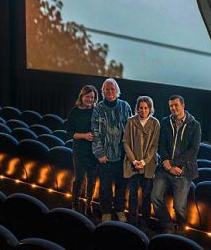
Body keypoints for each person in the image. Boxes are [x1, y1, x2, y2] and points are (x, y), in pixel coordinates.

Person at [151, 94, 201, 234]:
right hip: (164, 168)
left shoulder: (194, 125)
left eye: (176, 105)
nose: (173, 108)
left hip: (183, 170)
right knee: (155, 197)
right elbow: (161, 145)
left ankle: (182, 228)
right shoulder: (165, 122)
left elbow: (193, 150)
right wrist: (167, 164)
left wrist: (172, 164)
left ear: (183, 105)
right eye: (171, 106)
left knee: (179, 207)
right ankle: (168, 226)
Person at [91, 78, 133, 222]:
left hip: (122, 156)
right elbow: (95, 132)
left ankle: (120, 210)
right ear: (103, 92)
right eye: (107, 89)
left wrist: (130, 154)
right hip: (105, 157)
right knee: (105, 188)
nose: (110, 91)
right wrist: (100, 153)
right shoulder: (98, 108)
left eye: (112, 89)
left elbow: (130, 131)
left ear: (117, 90)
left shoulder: (125, 106)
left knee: (121, 186)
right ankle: (106, 212)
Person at [122, 95, 160, 227]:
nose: (143, 111)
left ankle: (145, 221)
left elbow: (154, 146)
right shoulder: (131, 121)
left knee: (146, 195)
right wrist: (134, 161)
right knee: (133, 194)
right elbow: (125, 142)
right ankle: (132, 220)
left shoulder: (155, 123)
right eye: (140, 108)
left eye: (146, 108)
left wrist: (144, 162)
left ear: (150, 109)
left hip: (148, 165)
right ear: (137, 109)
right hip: (132, 165)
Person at [65, 84, 99, 214]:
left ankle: (89, 202)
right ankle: (74, 203)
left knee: (91, 179)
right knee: (79, 179)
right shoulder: (74, 111)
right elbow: (69, 133)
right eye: (87, 97)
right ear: (82, 96)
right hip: (79, 151)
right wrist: (84, 136)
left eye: (92, 97)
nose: (90, 99)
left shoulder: (96, 111)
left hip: (93, 151)